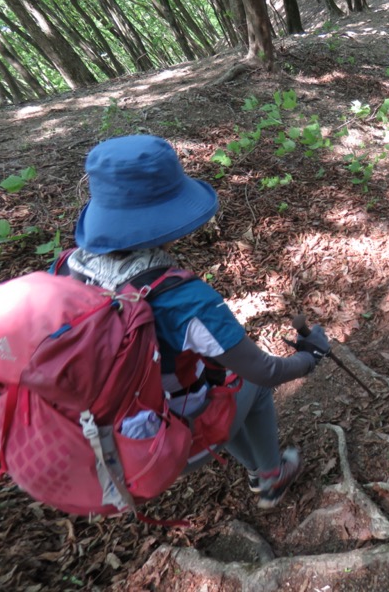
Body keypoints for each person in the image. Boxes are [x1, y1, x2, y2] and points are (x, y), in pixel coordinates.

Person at [54, 134, 330, 509]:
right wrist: (310, 357)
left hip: (89, 438)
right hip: (156, 446)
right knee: (248, 384)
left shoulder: (67, 266)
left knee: (218, 374)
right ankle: (269, 478)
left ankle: (255, 467)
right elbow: (264, 370)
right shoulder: (179, 298)